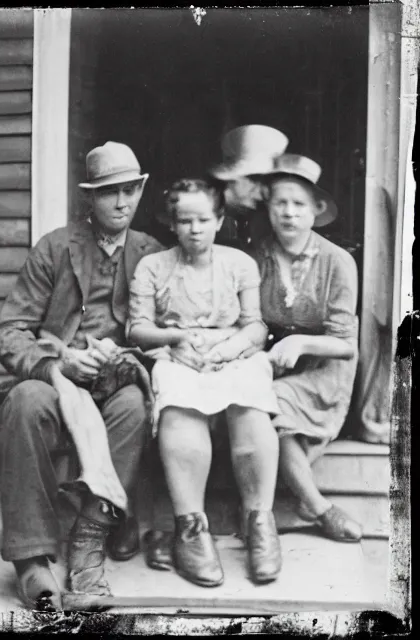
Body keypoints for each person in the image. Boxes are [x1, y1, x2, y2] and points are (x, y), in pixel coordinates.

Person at [0, 141, 164, 609]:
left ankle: (88, 548)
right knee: (24, 402)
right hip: (57, 378)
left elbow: (163, 333)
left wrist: (125, 356)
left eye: (130, 190)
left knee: (131, 405)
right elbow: (10, 332)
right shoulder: (56, 247)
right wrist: (57, 363)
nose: (122, 202)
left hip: (116, 379)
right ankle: (32, 560)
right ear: (89, 198)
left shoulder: (152, 253)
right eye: (110, 193)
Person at [128, 178, 282, 587]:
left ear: (219, 220)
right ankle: (191, 529)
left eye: (203, 219)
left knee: (251, 409)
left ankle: (260, 524)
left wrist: (227, 350)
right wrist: (175, 339)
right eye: (185, 220)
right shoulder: (153, 267)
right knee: (180, 411)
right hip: (175, 355)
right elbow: (137, 329)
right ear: (172, 224)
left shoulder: (239, 264)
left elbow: (255, 327)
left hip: (233, 353)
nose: (194, 229)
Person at [253, 153, 363, 541]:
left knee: (272, 403)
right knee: (259, 399)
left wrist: (301, 341)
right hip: (276, 361)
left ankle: (315, 506)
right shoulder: (257, 256)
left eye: (299, 204)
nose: (289, 213)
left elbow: (346, 345)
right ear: (268, 206)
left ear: (316, 210)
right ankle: (313, 505)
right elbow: (250, 320)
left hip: (325, 365)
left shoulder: (337, 262)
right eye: (280, 202)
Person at [209, 124, 289, 250]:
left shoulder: (257, 219)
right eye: (254, 179)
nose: (259, 194)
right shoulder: (204, 215)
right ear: (231, 178)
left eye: (265, 183)